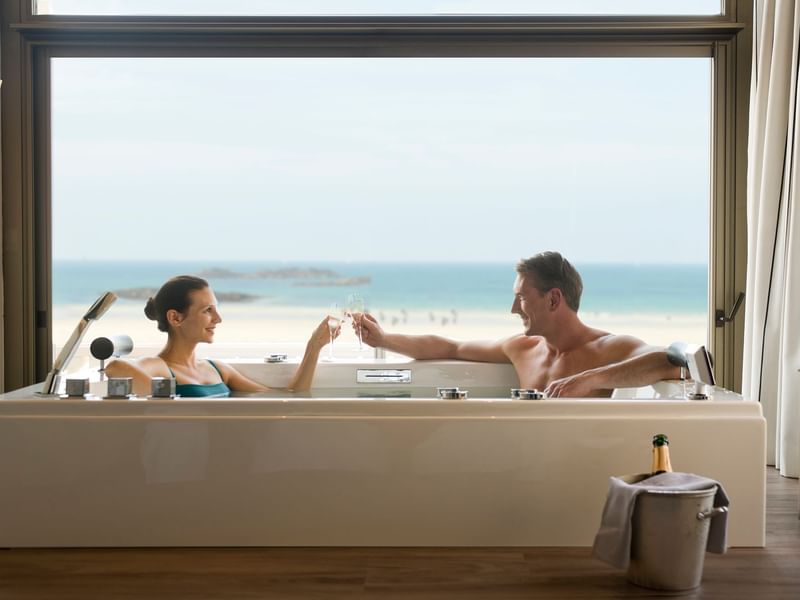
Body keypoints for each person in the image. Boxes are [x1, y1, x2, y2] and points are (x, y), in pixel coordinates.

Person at [353, 251, 680, 398]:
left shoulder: (608, 349)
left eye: (521, 298)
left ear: (553, 299)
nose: (513, 309)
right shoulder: (523, 348)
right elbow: (450, 347)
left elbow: (673, 361)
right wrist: (383, 339)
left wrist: (592, 379)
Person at [106, 275, 336, 396]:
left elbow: (288, 396)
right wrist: (171, 403)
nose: (218, 319)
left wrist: (314, 346)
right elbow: (115, 368)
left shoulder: (217, 369)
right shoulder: (161, 368)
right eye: (208, 310)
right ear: (175, 318)